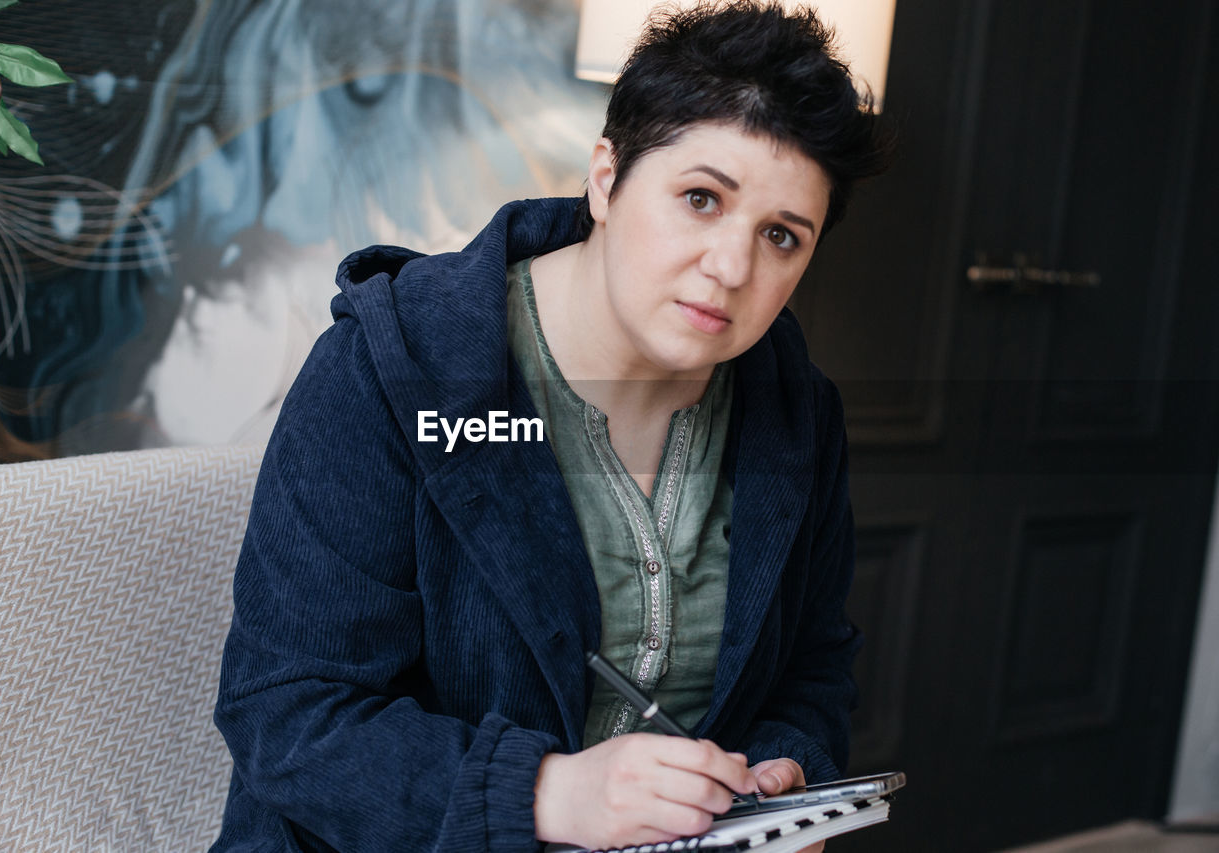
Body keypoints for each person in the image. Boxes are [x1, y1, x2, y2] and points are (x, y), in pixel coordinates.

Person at [210, 2, 892, 851]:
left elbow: (813, 667)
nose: (731, 268)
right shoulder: (391, 376)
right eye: (700, 198)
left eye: (782, 236)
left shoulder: (797, 416)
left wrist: (783, 769)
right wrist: (549, 792)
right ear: (605, 179)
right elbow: (288, 714)